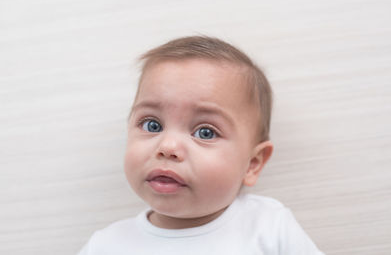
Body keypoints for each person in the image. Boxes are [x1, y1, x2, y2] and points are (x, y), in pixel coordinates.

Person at [77, 36, 324, 254]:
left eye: (205, 132)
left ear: (252, 164)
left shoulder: (267, 226)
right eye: (152, 125)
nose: (168, 146)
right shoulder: (106, 246)